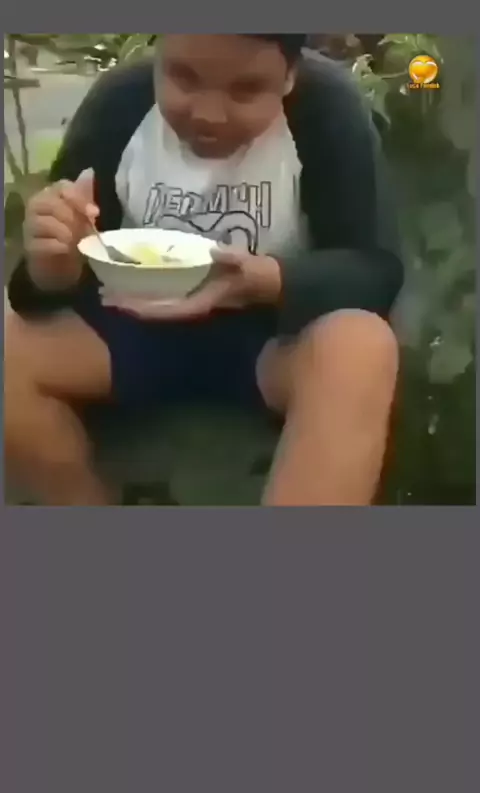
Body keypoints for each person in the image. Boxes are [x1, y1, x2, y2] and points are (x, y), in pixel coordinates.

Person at [5, 34, 403, 506]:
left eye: (246, 90)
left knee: (362, 346)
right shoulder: (121, 103)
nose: (208, 114)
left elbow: (374, 269)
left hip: (269, 339)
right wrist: (53, 265)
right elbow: (42, 285)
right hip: (127, 327)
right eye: (183, 78)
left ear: (290, 75)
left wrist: (270, 280)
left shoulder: (326, 109)